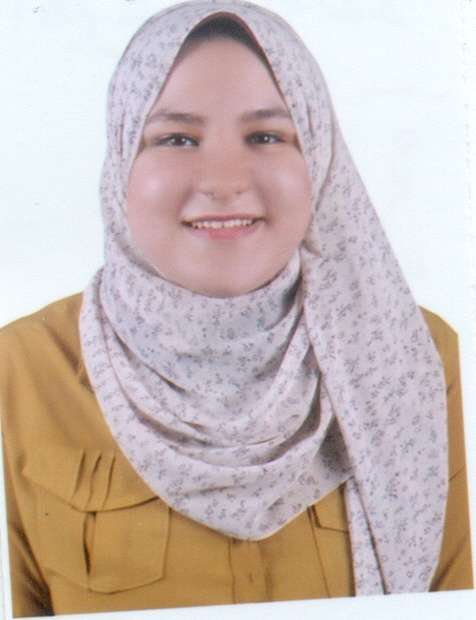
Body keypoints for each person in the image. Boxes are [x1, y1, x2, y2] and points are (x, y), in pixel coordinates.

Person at [0, 1, 472, 616]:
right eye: (176, 138)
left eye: (266, 136)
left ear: (320, 158)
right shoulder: (21, 371)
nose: (223, 180)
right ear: (120, 159)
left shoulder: (414, 353)